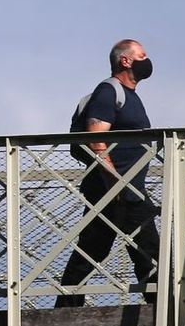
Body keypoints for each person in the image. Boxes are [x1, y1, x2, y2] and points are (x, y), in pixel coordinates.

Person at [57, 40, 160, 307]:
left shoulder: (131, 95)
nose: (147, 59)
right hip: (116, 188)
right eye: (142, 55)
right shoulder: (108, 91)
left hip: (123, 188)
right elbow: (96, 138)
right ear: (125, 61)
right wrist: (116, 182)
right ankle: (165, 310)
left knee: (94, 249)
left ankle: (65, 307)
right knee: (148, 250)